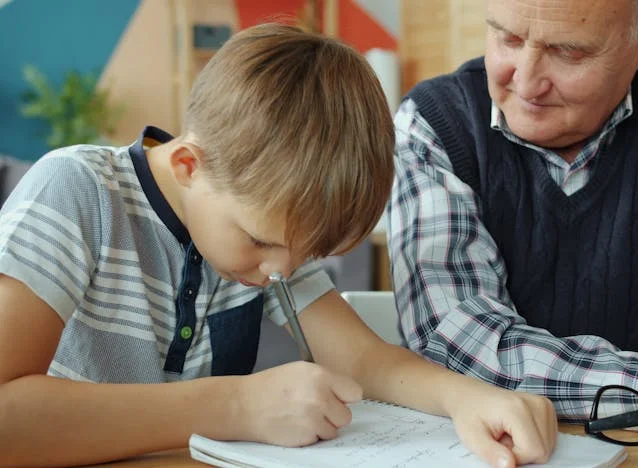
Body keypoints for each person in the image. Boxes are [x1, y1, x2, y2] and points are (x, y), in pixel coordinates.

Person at [0, 23, 558, 468]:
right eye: (261, 240)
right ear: (190, 165)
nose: (280, 272)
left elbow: (362, 359)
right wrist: (237, 406)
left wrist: (468, 397)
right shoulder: (77, 191)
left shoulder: (270, 242)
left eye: (307, 253)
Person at [387, 0, 638, 465]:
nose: (527, 82)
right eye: (507, 38)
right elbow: (462, 348)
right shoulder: (434, 125)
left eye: (569, 53)